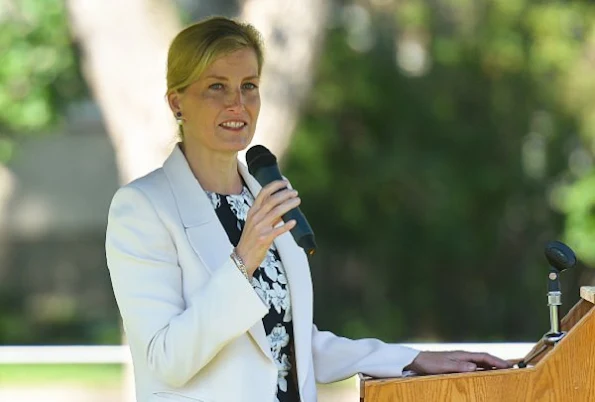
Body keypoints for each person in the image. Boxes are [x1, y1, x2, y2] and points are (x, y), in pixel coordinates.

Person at [105, 16, 511, 402]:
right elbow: (166, 360)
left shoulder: (263, 197)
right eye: (216, 87)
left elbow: (288, 342)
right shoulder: (142, 209)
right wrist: (243, 260)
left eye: (249, 85)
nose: (237, 104)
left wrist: (412, 359)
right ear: (177, 102)